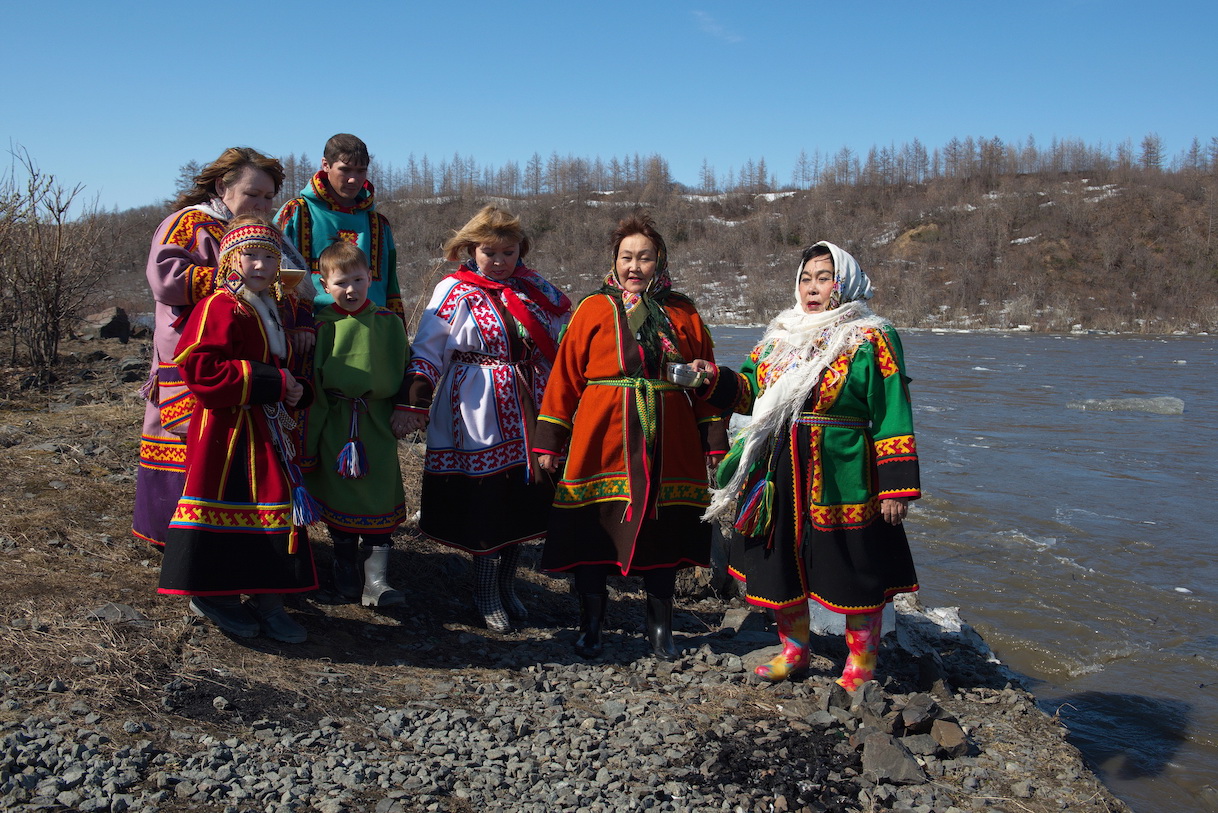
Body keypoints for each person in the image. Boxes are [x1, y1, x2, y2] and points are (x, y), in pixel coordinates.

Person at [692, 241, 921, 688]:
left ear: (844, 283)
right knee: (780, 559)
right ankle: (794, 650)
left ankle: (861, 662)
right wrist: (710, 378)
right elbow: (749, 390)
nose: (812, 288)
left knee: (855, 563)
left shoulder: (870, 335)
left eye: (823, 278)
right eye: (805, 278)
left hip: (842, 469)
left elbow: (892, 404)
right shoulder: (781, 335)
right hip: (779, 465)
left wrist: (896, 486)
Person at [534, 212, 726, 660]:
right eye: (626, 257)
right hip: (602, 438)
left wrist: (715, 443)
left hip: (669, 437)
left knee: (664, 530)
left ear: (659, 259)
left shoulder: (683, 311)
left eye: (644, 256)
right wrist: (550, 443)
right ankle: (592, 626)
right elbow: (564, 378)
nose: (634, 266)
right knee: (594, 530)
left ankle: (661, 629)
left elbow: (707, 380)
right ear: (614, 260)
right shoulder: (592, 308)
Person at [402, 206, 571, 632]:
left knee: (524, 496)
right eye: (489, 252)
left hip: (527, 400)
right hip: (475, 404)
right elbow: (428, 347)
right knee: (488, 499)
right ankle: (484, 590)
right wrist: (415, 401)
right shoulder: (454, 290)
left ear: (521, 252)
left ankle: (507, 585)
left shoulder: (534, 290)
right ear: (470, 250)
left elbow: (556, 344)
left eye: (508, 252)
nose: (499, 261)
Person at [158, 216, 317, 644]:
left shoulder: (270, 307)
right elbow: (200, 368)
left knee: (272, 503)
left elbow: (283, 368)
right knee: (225, 501)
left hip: (266, 427)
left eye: (270, 256)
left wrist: (297, 389)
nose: (262, 265)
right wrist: (272, 382)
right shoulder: (219, 306)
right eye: (251, 255)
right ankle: (216, 594)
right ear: (231, 258)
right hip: (226, 432)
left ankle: (269, 599)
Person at [134, 147, 285, 548]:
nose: (263, 204)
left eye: (270, 197)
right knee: (184, 442)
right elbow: (166, 277)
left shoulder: (259, 231)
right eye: (255, 194)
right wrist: (233, 281)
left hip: (242, 360)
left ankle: (227, 537)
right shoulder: (189, 223)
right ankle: (176, 541)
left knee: (228, 446)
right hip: (192, 353)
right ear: (224, 186)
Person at [303, 240, 412, 608]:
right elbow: (314, 388)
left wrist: (407, 409)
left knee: (378, 494)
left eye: (358, 280)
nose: (350, 290)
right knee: (340, 496)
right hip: (335, 422)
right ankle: (345, 574)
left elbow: (405, 369)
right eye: (340, 283)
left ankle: (377, 583)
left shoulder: (388, 323)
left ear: (370, 278)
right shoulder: (321, 326)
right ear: (323, 284)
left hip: (378, 425)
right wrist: (309, 443)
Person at [274, 134, 403, 323]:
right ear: (326, 165)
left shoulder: (378, 223)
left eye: (361, 171)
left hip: (374, 331)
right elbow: (276, 278)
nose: (353, 179)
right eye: (345, 170)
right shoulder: (295, 213)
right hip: (311, 331)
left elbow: (391, 288)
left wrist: (397, 331)